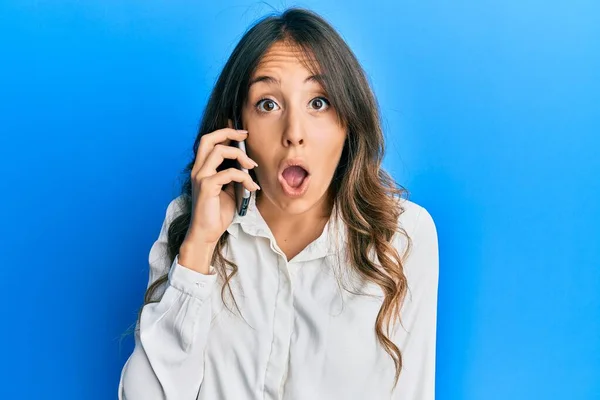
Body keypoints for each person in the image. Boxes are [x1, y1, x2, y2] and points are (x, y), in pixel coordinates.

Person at [118, 7, 439, 400]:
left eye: (319, 102)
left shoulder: (403, 236)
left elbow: (412, 390)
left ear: (348, 123)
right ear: (236, 127)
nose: (294, 134)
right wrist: (199, 245)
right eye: (268, 104)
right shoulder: (189, 223)